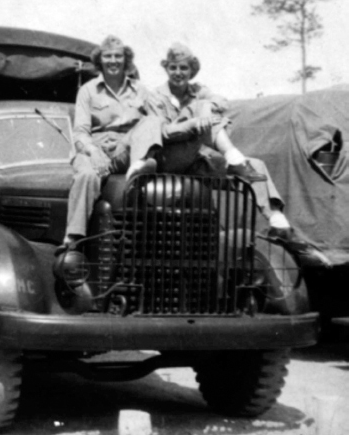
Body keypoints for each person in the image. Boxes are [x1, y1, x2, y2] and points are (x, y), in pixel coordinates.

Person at [150, 42, 330, 266]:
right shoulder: (156, 96)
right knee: (203, 117)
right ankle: (232, 156)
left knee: (255, 165)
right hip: (170, 159)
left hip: (195, 161)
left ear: (191, 71)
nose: (178, 73)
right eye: (173, 68)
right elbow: (161, 134)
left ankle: (278, 223)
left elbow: (221, 101)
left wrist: (205, 108)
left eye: (184, 68)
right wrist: (195, 123)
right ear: (166, 69)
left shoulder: (198, 92)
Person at [59, 35, 162, 251]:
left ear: (126, 60)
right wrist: (92, 151)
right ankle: (73, 239)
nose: (113, 61)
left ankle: (142, 163)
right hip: (95, 149)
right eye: (108, 56)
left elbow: (157, 122)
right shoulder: (88, 91)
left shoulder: (141, 90)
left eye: (118, 56)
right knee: (86, 175)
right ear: (100, 61)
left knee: (152, 120)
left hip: (126, 150)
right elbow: (79, 133)